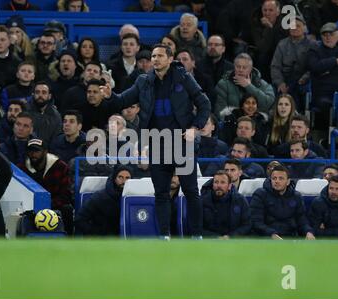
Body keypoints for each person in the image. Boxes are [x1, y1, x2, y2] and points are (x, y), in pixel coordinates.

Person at [100, 44, 211, 238]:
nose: (155, 59)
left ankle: (197, 236)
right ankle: (164, 236)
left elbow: (204, 104)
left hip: (182, 143)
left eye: (160, 56)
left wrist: (195, 128)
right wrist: (110, 96)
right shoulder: (144, 81)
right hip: (157, 143)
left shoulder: (184, 78)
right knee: (161, 193)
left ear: (170, 59)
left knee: (191, 191)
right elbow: (121, 101)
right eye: (153, 56)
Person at [307, 22, 338, 129]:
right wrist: (335, 61)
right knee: (326, 105)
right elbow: (315, 67)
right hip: (323, 94)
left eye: (331, 34)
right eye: (325, 35)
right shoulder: (314, 49)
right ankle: (330, 135)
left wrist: (327, 69)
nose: (328, 38)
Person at [18, 138, 73, 234]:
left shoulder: (60, 166)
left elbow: (66, 193)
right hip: (29, 208)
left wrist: (47, 205)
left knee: (67, 209)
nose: (33, 154)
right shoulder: (22, 168)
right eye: (31, 151)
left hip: (55, 207)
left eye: (37, 151)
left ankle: (67, 238)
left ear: (45, 152)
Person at [250, 165, 315, 239]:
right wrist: (271, 234)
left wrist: (308, 232)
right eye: (274, 178)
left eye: (281, 178)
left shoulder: (296, 196)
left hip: (290, 237)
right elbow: (256, 222)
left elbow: (302, 220)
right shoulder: (260, 195)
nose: (277, 181)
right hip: (267, 238)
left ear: (288, 182)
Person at [271, 15, 314, 112]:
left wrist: (305, 77)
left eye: (298, 26)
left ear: (304, 28)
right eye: (292, 26)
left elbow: (313, 66)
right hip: (285, 78)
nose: (294, 28)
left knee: (303, 89)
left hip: (303, 79)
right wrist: (280, 82)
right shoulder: (282, 44)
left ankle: (300, 115)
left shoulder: (311, 44)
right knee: (275, 90)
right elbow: (275, 66)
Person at [75, 165, 132, 236]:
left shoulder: (134, 199)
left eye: (127, 178)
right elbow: (80, 219)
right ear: (114, 178)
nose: (124, 181)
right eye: (120, 177)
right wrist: (96, 234)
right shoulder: (99, 197)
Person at [214, 53, 275, 118]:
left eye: (244, 67)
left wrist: (249, 86)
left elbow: (268, 104)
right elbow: (220, 112)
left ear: (251, 69)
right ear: (234, 67)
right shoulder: (223, 84)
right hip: (232, 124)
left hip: (256, 124)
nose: (241, 70)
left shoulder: (261, 84)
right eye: (238, 66)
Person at [202, 170, 251, 238]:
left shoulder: (240, 200)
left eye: (223, 182)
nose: (219, 185)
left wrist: (231, 236)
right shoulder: (203, 201)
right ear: (213, 185)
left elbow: (247, 225)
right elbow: (196, 226)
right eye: (216, 182)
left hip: (234, 241)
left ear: (229, 186)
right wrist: (215, 237)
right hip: (209, 242)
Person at [250, 0, 288, 83]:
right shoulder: (256, 23)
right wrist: (269, 28)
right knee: (262, 57)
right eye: (265, 10)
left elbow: (281, 45)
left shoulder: (284, 24)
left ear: (278, 12)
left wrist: (272, 29)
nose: (267, 13)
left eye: (271, 10)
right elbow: (263, 47)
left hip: (282, 56)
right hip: (266, 58)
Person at [25, 81, 62, 146]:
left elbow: (56, 139)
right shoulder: (24, 111)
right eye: (37, 92)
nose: (40, 95)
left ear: (49, 96)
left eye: (44, 93)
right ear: (33, 94)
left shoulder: (56, 116)